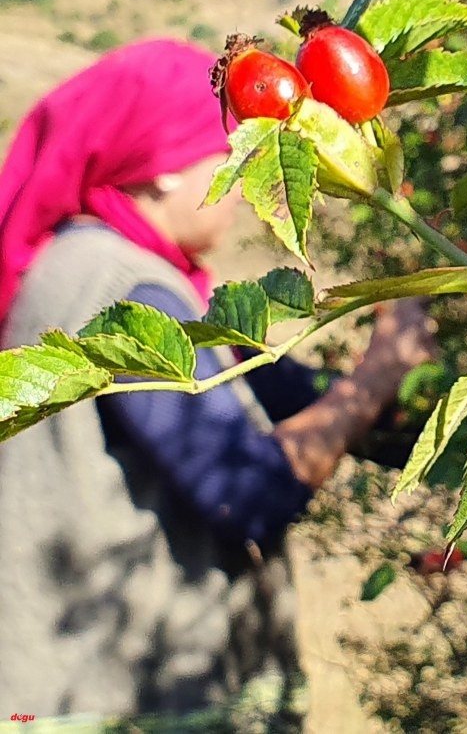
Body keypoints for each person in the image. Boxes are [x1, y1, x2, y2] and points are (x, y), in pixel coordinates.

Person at [0, 39, 434, 728]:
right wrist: (379, 371)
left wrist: (422, 414)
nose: (239, 185)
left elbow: (275, 388)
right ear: (164, 170)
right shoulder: (124, 289)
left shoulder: (91, 262)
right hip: (125, 701)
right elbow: (247, 488)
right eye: (227, 155)